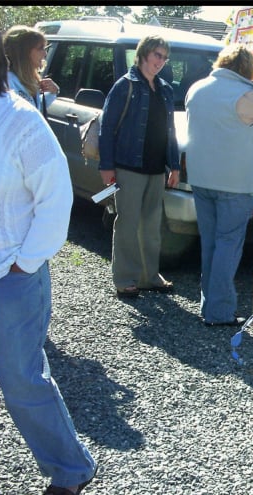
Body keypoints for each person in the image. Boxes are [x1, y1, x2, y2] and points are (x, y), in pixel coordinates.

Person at [0, 23, 97, 495]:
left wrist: (24, 265)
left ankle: (69, 469)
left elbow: (55, 202)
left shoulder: (18, 121)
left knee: (22, 382)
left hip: (10, 276)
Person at [185, 44, 253, 326]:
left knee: (210, 245)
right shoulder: (247, 94)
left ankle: (209, 305)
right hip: (235, 183)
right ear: (247, 70)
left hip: (200, 178)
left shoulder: (196, 88)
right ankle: (219, 311)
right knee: (227, 246)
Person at [99, 35, 180, 298]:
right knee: (128, 224)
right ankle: (125, 278)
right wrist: (107, 166)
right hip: (128, 166)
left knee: (151, 225)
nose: (161, 61)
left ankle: (149, 276)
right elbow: (107, 127)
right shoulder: (125, 85)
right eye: (157, 54)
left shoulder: (165, 88)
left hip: (156, 168)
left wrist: (174, 165)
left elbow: (170, 131)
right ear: (144, 53)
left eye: (165, 57)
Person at [2, 25, 60, 114]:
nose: (45, 53)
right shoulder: (6, 82)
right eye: (40, 48)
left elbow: (33, 110)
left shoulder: (29, 79)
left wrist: (53, 92)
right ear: (23, 52)